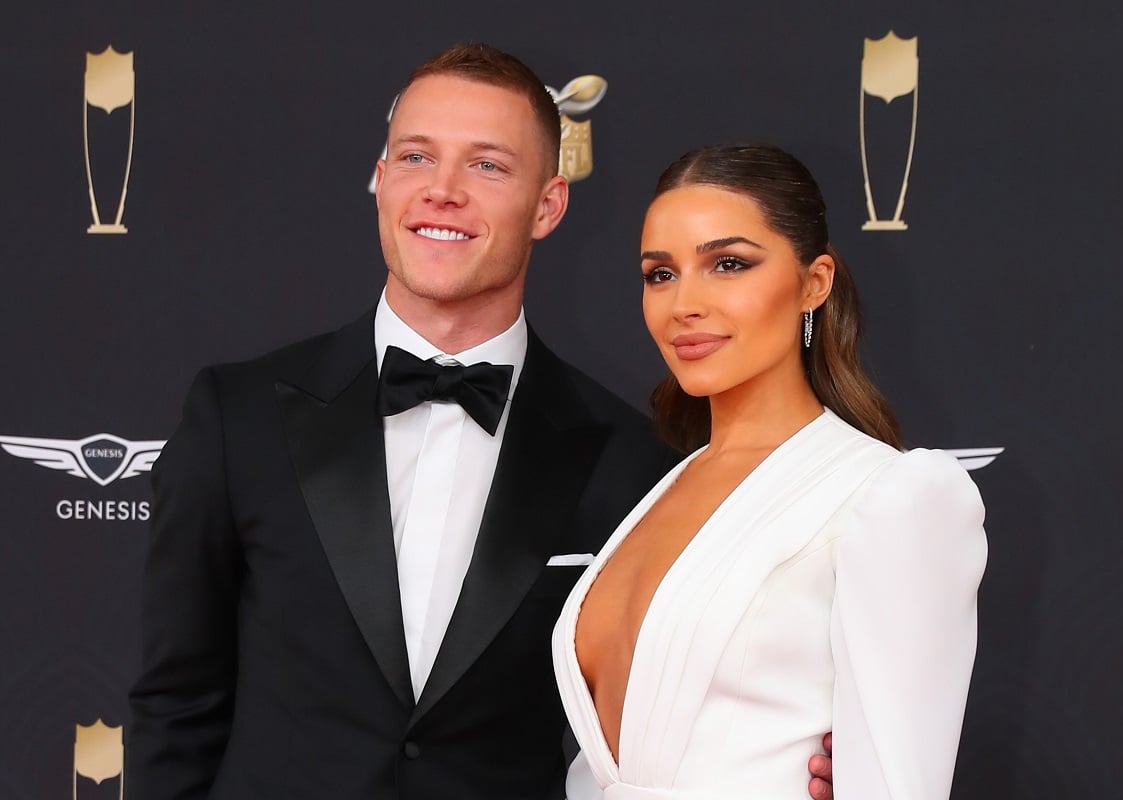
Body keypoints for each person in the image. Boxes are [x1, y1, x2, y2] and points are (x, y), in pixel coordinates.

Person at [126, 45, 837, 800]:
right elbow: (175, 704)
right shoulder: (238, 417)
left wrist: (801, 766)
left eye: (487, 166)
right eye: (415, 157)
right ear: (380, 179)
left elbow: (666, 718)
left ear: (548, 205)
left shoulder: (632, 461)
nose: (441, 191)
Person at [552, 144, 987, 799]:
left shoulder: (892, 496)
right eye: (660, 274)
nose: (683, 304)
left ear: (814, 283)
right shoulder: (666, 485)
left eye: (728, 264)